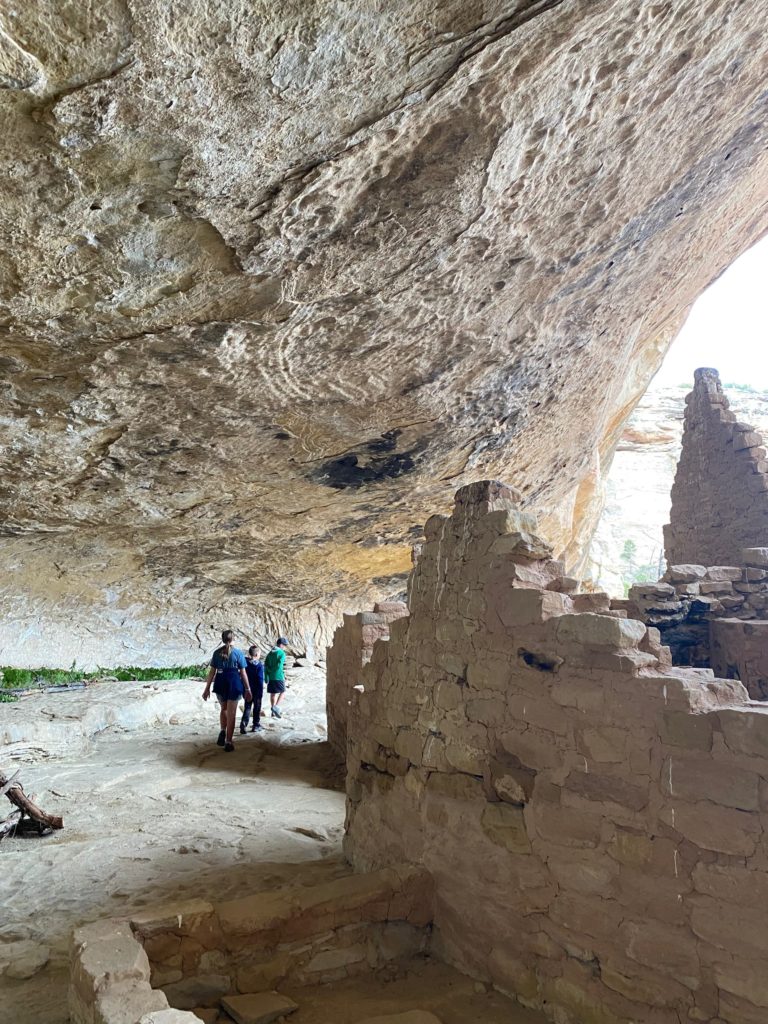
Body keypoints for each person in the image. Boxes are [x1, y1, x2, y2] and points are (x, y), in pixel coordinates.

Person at [202, 629, 251, 752]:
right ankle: (229, 741)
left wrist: (207, 689)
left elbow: (212, 672)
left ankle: (223, 730)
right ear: (233, 639)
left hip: (220, 682)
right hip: (234, 682)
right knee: (232, 713)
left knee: (223, 709)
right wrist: (248, 689)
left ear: (222, 639)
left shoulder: (216, 653)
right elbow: (243, 673)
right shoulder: (238, 653)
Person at [240, 645, 264, 733]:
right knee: (257, 708)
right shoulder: (259, 666)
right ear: (257, 654)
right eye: (260, 654)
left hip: (247, 690)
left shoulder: (245, 663)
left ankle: (244, 723)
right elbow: (260, 680)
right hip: (256, 691)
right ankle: (256, 725)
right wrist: (261, 692)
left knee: (247, 707)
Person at [264, 637, 289, 718]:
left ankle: (273, 712)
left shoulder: (269, 654)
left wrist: (266, 677)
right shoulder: (281, 653)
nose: (285, 647)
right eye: (284, 645)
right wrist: (282, 676)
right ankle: (276, 707)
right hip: (278, 676)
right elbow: (279, 666)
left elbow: (266, 666)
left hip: (271, 677)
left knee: (273, 694)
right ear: (281, 645)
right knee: (283, 692)